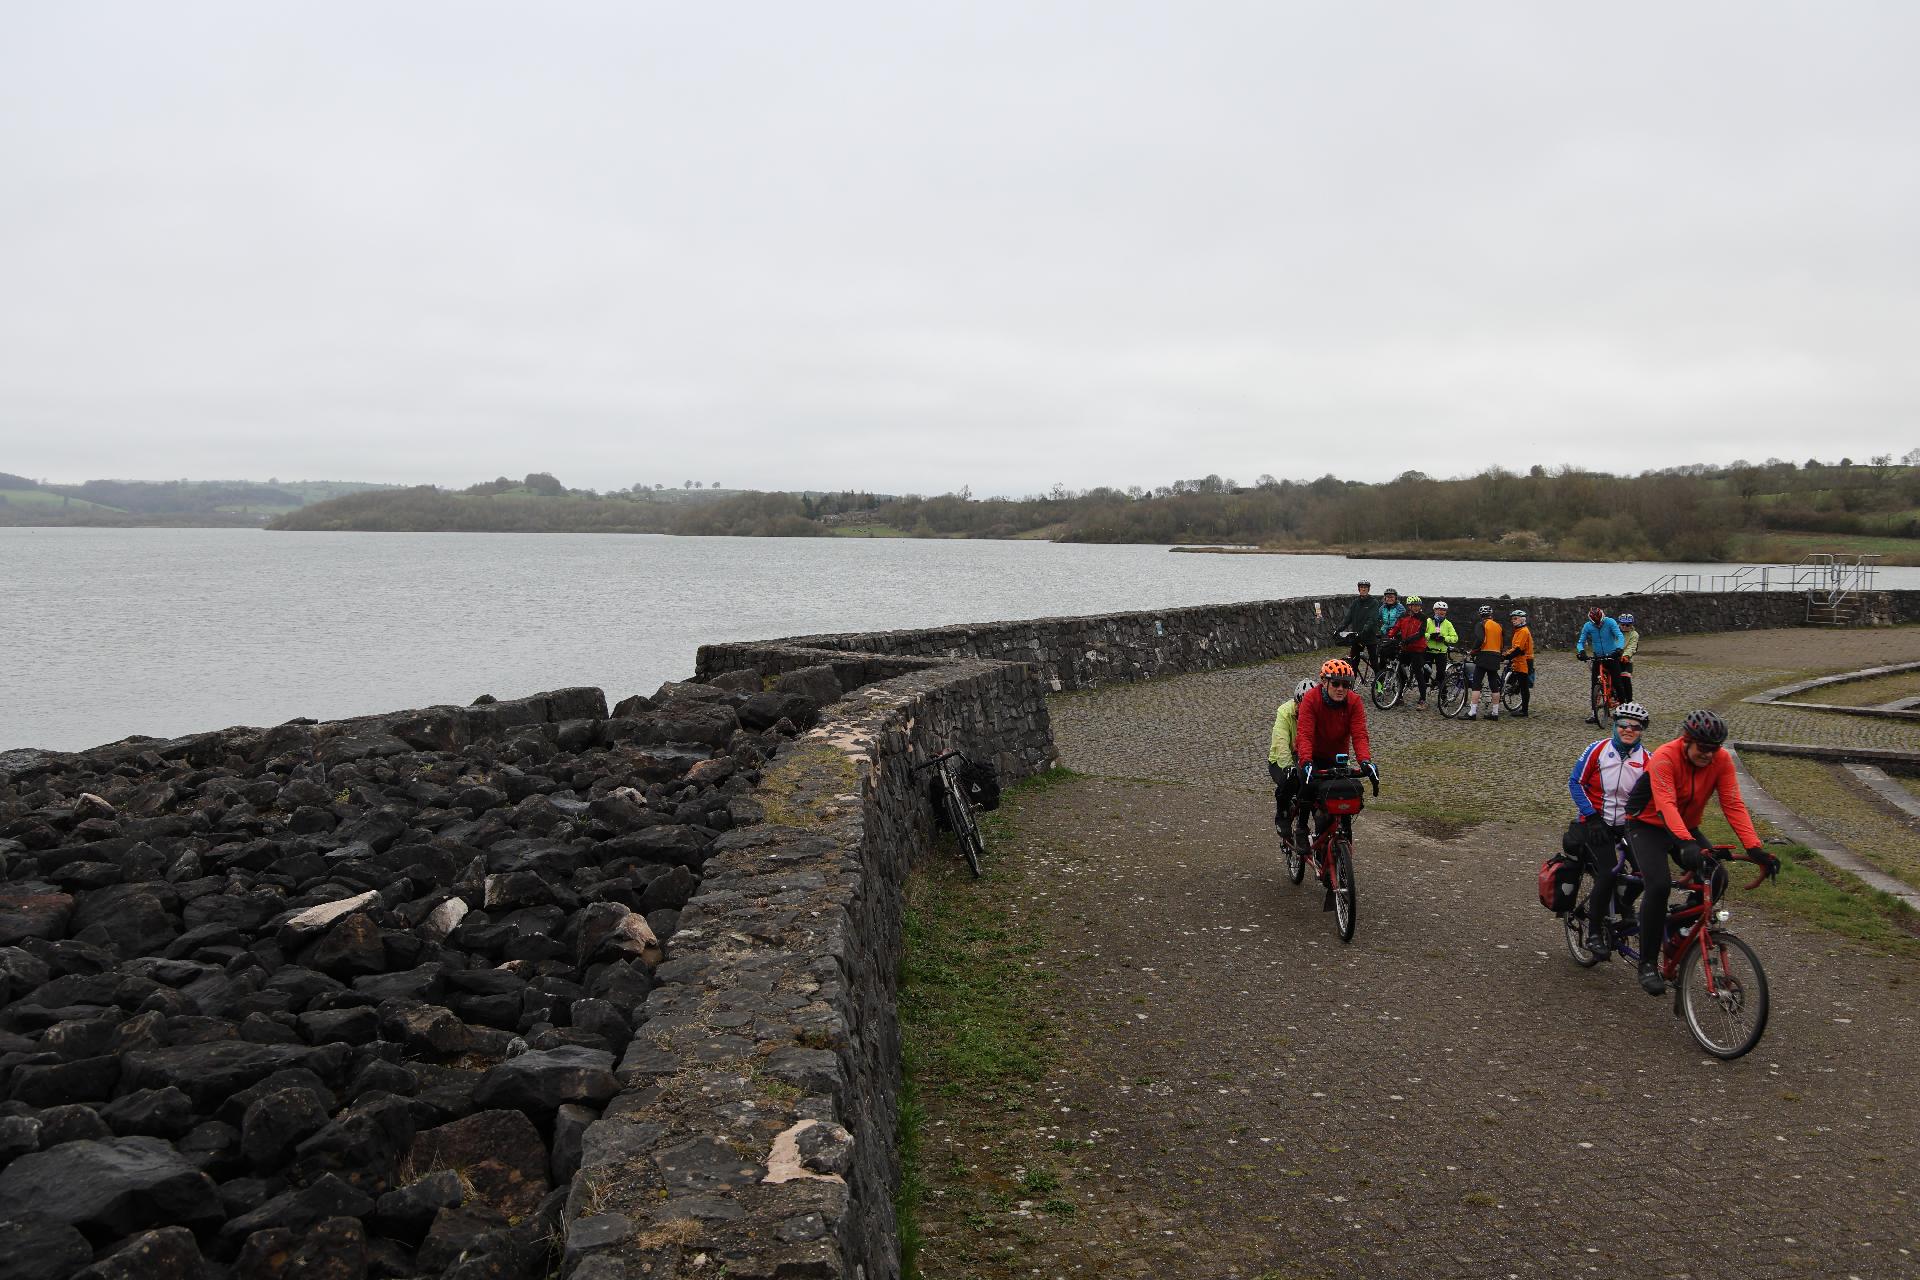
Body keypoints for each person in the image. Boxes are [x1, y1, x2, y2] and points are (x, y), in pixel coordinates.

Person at [1623, 709, 1779, 995]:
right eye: (1703, 748)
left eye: (1714, 749)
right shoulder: (1665, 756)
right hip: (1646, 824)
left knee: (1718, 876)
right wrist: (1685, 844)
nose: (1709, 755)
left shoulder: (1720, 760)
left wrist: (1756, 849)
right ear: (1686, 740)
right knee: (1657, 886)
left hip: (1686, 826)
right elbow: (1665, 804)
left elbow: (1732, 803)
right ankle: (1647, 963)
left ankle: (1679, 926)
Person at [1567, 701, 1652, 959]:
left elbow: (1652, 796)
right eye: (1622, 725)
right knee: (1608, 872)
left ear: (1642, 730)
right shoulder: (1597, 749)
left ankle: (1624, 908)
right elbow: (1575, 782)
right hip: (1595, 822)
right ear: (1614, 725)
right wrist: (1592, 816)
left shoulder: (1648, 759)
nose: (1628, 730)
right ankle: (1594, 931)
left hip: (1627, 825)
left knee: (1645, 873)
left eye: (1635, 727)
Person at [1293, 659, 1381, 900]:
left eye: (1346, 684)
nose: (1341, 688)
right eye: (1336, 684)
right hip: (1312, 754)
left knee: (1343, 805)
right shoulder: (1311, 699)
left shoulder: (1354, 702)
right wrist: (1306, 762)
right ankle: (1301, 826)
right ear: (1324, 682)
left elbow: (1360, 734)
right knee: (1308, 786)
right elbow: (1304, 734)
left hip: (1337, 757)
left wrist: (1365, 762)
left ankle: (1341, 862)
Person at [1268, 677, 1317, 834]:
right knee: (1290, 781)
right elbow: (1280, 741)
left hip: (1306, 757)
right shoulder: (1284, 712)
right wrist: (1289, 766)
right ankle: (1282, 814)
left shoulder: (1319, 714)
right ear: (1296, 703)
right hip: (1281, 760)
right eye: (1301, 707)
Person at [1575, 607, 1627, 726]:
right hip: (1598, 657)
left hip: (1612, 656)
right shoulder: (1588, 626)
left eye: (1600, 622)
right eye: (1596, 623)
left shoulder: (1610, 622)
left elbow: (1619, 636)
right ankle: (1594, 713)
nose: (1598, 625)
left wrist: (1619, 649)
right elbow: (1580, 641)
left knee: (1618, 683)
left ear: (1603, 617)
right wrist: (1581, 651)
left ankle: (1623, 711)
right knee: (1594, 685)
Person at [1383, 595, 1429, 704]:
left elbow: (1420, 634)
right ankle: (1399, 696)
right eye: (1414, 605)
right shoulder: (1403, 616)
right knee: (1399, 670)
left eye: (1418, 605)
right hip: (1405, 647)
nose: (1417, 608)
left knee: (1418, 672)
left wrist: (1407, 640)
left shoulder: (1423, 618)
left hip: (1417, 649)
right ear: (1409, 606)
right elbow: (1396, 628)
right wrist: (1388, 636)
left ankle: (1422, 699)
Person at [1465, 604, 1505, 720]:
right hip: (1496, 655)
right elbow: (1502, 643)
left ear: (1480, 615)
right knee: (1494, 685)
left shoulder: (1481, 624)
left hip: (1484, 655)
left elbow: (1480, 639)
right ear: (1491, 614)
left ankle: (1472, 713)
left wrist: (1472, 651)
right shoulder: (1499, 626)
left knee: (1476, 684)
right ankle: (1495, 713)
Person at [1338, 580, 1383, 671]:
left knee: (1374, 663)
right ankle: (1351, 684)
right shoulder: (1356, 602)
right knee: (1353, 663)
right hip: (1357, 637)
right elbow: (1348, 618)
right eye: (1361, 587)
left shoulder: (1373, 602)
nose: (1363, 589)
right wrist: (1339, 629)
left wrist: (1364, 631)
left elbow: (1372, 619)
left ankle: (1379, 684)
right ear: (1359, 589)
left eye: (1365, 588)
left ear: (1368, 589)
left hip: (1370, 637)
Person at [1503, 609, 1535, 717]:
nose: (1513, 620)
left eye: (1515, 618)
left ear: (1522, 619)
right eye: (1512, 619)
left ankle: (1524, 711)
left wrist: (1505, 655)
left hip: (1525, 661)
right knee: (1520, 684)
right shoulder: (1518, 631)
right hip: (1519, 660)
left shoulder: (1523, 631)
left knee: (1524, 687)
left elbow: (1518, 649)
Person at [1617, 613, 1640, 704]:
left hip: (1626, 660)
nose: (1625, 627)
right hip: (1613, 658)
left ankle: (1629, 702)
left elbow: (1632, 646)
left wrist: (1626, 656)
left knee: (1626, 679)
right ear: (1619, 624)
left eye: (1627, 625)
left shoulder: (1634, 634)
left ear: (1631, 625)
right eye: (1622, 624)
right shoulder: (1614, 631)